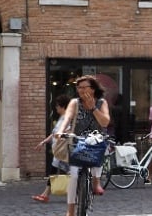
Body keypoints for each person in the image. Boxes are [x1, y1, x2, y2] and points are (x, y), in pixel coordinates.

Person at [62, 74, 111, 214]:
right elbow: (67, 118)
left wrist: (93, 108)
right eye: (79, 87)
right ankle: (70, 210)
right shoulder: (74, 102)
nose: (82, 90)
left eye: (85, 87)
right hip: (78, 141)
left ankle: (96, 182)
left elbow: (105, 122)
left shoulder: (101, 102)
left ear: (93, 89)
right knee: (74, 176)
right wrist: (60, 131)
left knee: (100, 148)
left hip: (96, 140)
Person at [31, 95, 70, 203]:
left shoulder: (68, 119)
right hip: (58, 151)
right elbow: (53, 134)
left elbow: (69, 132)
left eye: (57, 106)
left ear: (63, 107)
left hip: (64, 151)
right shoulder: (61, 118)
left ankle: (46, 194)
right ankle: (45, 194)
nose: (56, 108)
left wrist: (63, 134)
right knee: (58, 172)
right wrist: (43, 142)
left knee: (67, 173)